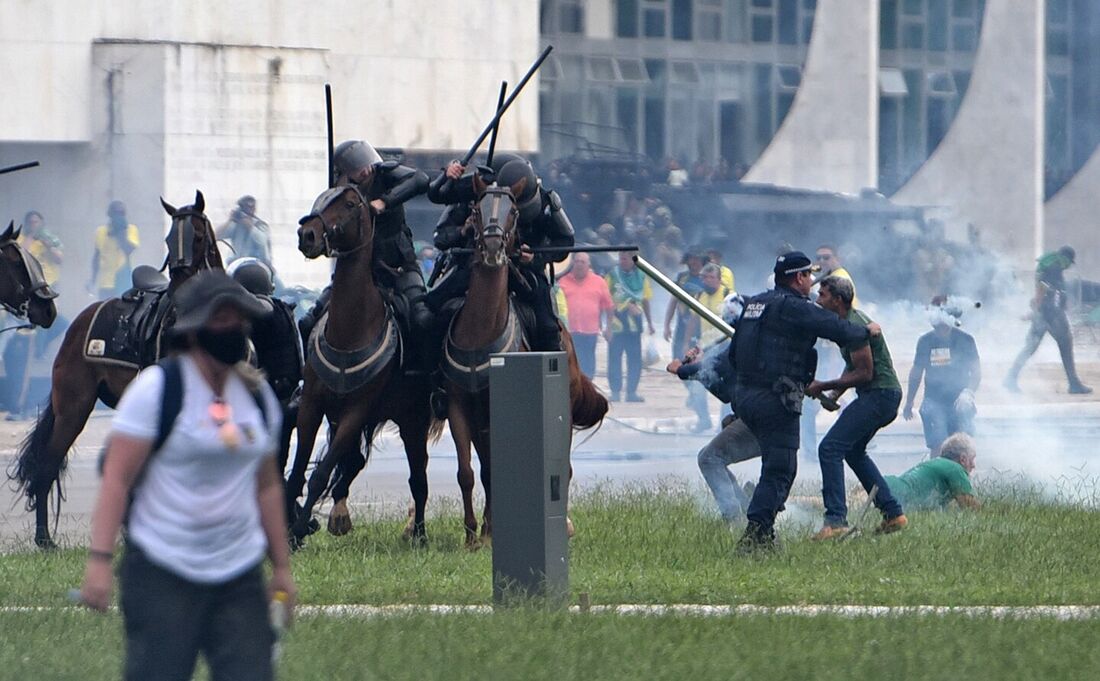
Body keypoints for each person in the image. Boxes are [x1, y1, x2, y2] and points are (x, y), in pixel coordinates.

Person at [79, 271, 295, 681]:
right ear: (195, 330)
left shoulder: (257, 397)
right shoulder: (157, 391)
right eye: (221, 319)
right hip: (163, 570)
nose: (232, 329)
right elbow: (117, 479)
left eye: (239, 319)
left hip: (239, 574)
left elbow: (267, 485)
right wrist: (100, 561)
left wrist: (281, 567)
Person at [731, 252, 875, 552]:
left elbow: (734, 353)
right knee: (780, 469)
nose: (811, 283)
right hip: (774, 398)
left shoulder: (755, 303)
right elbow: (835, 327)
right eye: (809, 276)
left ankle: (763, 531)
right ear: (798, 278)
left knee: (774, 466)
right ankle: (756, 537)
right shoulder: (792, 306)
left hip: (745, 395)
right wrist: (866, 331)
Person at [427, 153, 575, 353]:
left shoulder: (545, 200)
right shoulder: (474, 190)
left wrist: (536, 257)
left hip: (525, 272)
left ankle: (550, 374)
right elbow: (438, 205)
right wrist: (448, 176)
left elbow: (565, 241)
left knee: (547, 326)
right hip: (473, 266)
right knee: (428, 311)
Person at [299, 140, 432, 348]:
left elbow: (421, 179)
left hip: (398, 263)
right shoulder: (341, 194)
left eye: (363, 162)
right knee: (309, 320)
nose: (364, 170)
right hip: (357, 267)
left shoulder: (386, 174)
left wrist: (385, 201)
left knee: (421, 318)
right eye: (355, 167)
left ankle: (424, 377)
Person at [806, 276, 907, 539]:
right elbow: (853, 367)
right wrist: (834, 393)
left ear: (837, 300)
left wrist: (823, 384)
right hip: (882, 395)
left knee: (829, 448)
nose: (818, 300)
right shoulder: (848, 322)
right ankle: (893, 513)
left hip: (879, 394)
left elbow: (864, 373)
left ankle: (836, 519)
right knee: (853, 451)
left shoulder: (853, 324)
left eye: (823, 295)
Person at [668, 331, 761, 522]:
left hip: (760, 418)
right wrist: (700, 367)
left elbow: (718, 365)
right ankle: (743, 505)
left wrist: (682, 370)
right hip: (759, 416)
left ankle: (734, 518)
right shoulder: (750, 339)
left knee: (709, 458)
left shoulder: (745, 340)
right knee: (711, 457)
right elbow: (725, 393)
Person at [1004, 245, 1092, 394]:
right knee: (1065, 344)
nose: (1069, 266)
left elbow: (1047, 289)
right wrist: (1036, 308)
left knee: (1030, 347)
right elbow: (1044, 287)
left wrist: (1038, 309)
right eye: (1070, 262)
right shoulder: (1054, 267)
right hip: (1051, 314)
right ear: (1066, 259)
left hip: (1044, 312)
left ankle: (1010, 377)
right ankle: (1074, 383)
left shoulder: (1050, 265)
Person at [904, 298, 981, 455]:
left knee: (963, 447)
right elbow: (916, 372)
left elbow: (976, 371)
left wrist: (968, 393)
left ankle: (961, 479)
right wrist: (909, 402)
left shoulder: (965, 340)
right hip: (934, 401)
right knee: (938, 445)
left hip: (960, 401)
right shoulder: (926, 341)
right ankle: (937, 478)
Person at [682, 264, 733, 432]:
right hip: (706, 346)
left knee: (727, 386)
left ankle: (723, 424)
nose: (707, 281)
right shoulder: (699, 296)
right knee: (697, 383)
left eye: (711, 278)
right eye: (704, 277)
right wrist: (686, 342)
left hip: (725, 345)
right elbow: (693, 320)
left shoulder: (728, 296)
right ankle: (703, 420)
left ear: (719, 279)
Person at [883, 432, 980, 510]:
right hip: (893, 498)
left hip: (886, 486)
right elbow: (971, 508)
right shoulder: (955, 469)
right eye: (972, 459)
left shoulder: (937, 464)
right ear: (963, 459)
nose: (973, 465)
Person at [605, 250, 654, 402]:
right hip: (617, 325)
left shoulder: (642, 276)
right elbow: (606, 299)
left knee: (635, 361)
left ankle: (631, 392)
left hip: (635, 326)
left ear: (634, 259)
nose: (622, 261)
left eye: (625, 258)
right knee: (614, 360)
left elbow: (645, 300)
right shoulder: (612, 275)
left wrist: (650, 323)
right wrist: (607, 326)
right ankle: (615, 392)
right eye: (620, 258)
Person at [557, 252, 613, 379]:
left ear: (589, 265)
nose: (579, 264)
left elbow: (609, 306)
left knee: (588, 362)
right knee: (571, 361)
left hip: (590, 331)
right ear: (572, 264)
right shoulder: (563, 281)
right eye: (577, 261)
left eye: (583, 262)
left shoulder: (599, 282)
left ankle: (588, 384)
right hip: (569, 331)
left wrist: (608, 328)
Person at [90, 200, 140, 299]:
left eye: (121, 214)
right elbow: (96, 257)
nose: (118, 217)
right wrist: (93, 280)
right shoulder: (101, 231)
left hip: (123, 279)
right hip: (105, 283)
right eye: (115, 214)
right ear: (110, 215)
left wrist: (121, 233)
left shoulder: (131, 230)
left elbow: (128, 250)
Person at [662, 249, 706, 359]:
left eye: (697, 259)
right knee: (677, 359)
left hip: (701, 327)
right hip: (682, 324)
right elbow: (673, 302)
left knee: (696, 361)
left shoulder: (707, 279)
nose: (694, 262)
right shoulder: (682, 278)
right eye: (691, 259)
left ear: (702, 261)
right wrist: (667, 325)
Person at [218, 195, 273, 268]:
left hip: (258, 265)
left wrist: (249, 226)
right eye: (246, 207)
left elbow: (262, 241)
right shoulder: (236, 225)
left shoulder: (260, 225)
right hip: (236, 263)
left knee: (275, 280)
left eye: (251, 207)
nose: (249, 210)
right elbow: (217, 236)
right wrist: (230, 220)